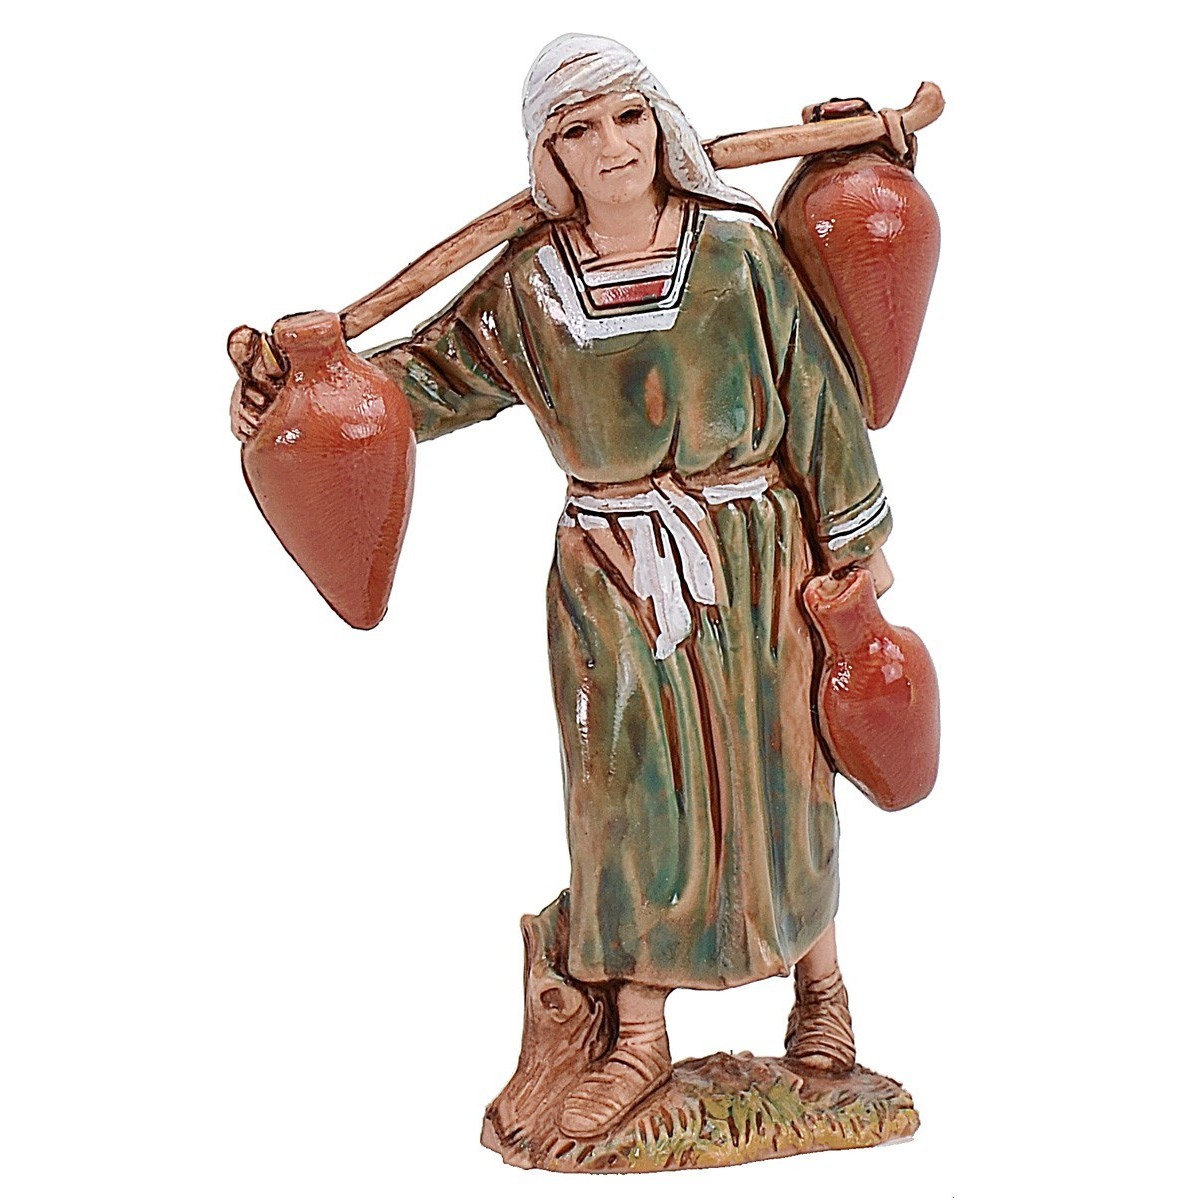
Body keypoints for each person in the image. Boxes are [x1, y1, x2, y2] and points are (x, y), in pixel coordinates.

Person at [233, 33, 894, 1140]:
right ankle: (637, 1037)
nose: (613, 145)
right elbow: (423, 380)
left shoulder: (737, 249)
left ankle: (821, 994)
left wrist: (853, 545)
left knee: (786, 769)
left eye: (628, 116)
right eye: (579, 129)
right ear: (550, 155)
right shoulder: (531, 286)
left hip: (756, 557)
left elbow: (816, 392)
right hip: (613, 577)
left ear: (661, 123)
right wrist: (306, 391)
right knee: (625, 796)